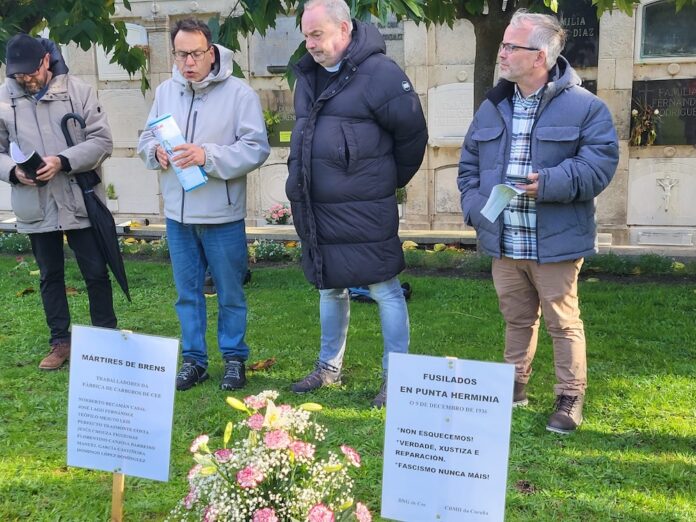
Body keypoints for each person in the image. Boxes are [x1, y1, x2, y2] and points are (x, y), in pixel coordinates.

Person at [458, 10, 619, 434]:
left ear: (541, 57)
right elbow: (469, 164)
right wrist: (476, 210)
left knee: (562, 323)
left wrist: (547, 183)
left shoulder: (587, 108)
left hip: (556, 242)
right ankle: (513, 386)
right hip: (504, 240)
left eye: (512, 46)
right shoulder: (494, 106)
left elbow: (599, 168)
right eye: (503, 44)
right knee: (516, 319)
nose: (503, 53)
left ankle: (570, 396)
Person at [286, 0, 428, 407]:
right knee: (329, 287)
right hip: (317, 206)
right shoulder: (308, 77)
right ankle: (328, 367)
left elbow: (412, 136)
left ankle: (396, 376)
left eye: (318, 34)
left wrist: (383, 181)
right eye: (306, 35)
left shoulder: (381, 74)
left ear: (344, 30)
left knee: (384, 287)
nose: (310, 44)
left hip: (364, 205)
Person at [137, 19, 270, 391]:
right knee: (187, 293)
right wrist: (155, 153)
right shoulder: (166, 91)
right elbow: (147, 137)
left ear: (211, 52)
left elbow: (255, 148)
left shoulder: (240, 94)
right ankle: (194, 361)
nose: (188, 62)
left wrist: (205, 156)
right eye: (181, 54)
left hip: (221, 213)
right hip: (177, 215)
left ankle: (233, 360)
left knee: (229, 292)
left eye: (195, 53)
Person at [0, 34, 117, 370]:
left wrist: (63, 161)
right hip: (35, 201)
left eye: (31, 72)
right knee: (50, 275)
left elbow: (102, 141)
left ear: (46, 61)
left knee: (95, 272)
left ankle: (105, 340)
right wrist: (12, 172)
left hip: (78, 198)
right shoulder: (3, 99)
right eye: (18, 74)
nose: (25, 79)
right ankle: (60, 343)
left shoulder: (78, 91)